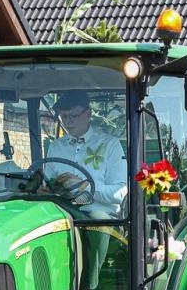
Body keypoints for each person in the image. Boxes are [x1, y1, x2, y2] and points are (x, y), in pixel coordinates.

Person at [44, 90, 128, 219]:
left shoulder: (110, 144)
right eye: (64, 116)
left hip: (100, 217)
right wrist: (46, 189)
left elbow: (120, 194)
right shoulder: (56, 146)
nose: (68, 121)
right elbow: (48, 184)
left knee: (97, 217)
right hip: (63, 214)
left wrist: (85, 187)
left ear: (88, 113)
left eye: (73, 115)